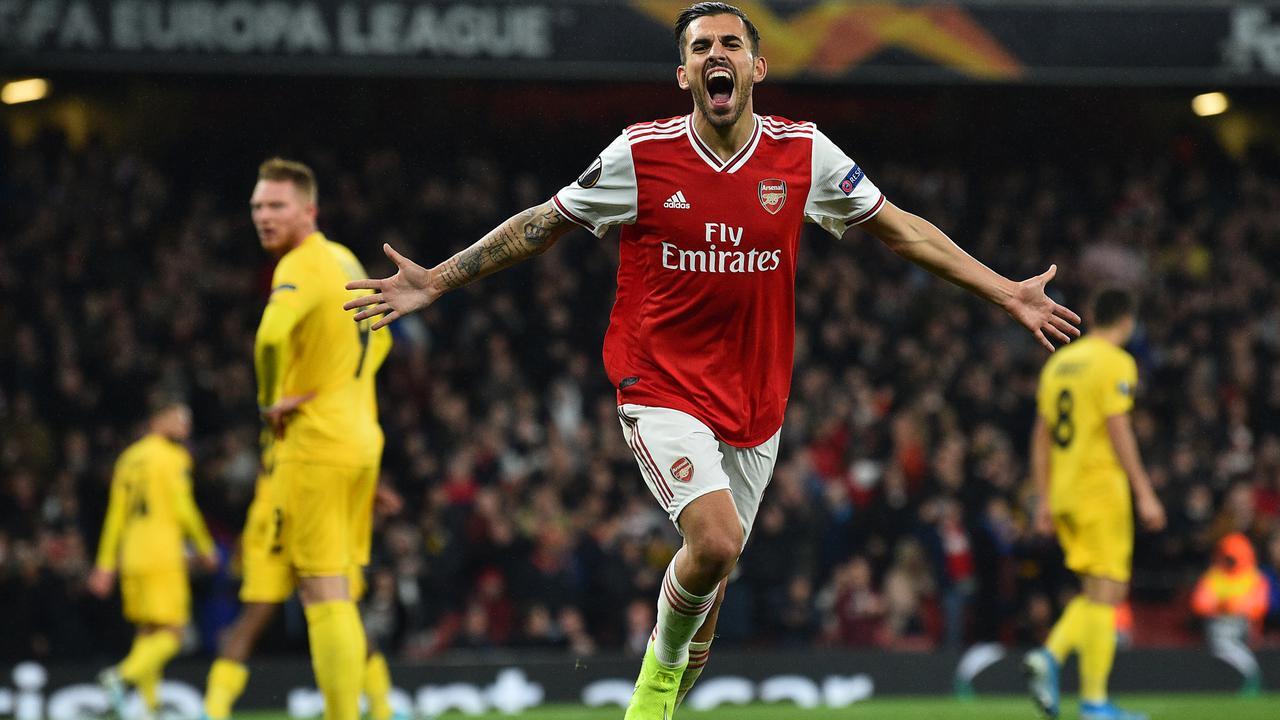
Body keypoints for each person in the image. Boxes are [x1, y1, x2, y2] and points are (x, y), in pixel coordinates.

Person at [344, 4, 1080, 717]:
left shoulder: (805, 154)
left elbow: (903, 231)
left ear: (757, 67)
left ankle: (668, 689)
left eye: (730, 44)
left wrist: (1005, 290)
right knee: (716, 541)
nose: (715, 55)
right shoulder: (641, 155)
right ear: (683, 74)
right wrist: (437, 280)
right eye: (700, 47)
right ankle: (648, 695)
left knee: (707, 605)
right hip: (659, 385)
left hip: (756, 405)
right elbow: (542, 224)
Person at [211, 157, 394, 720]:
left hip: (315, 443)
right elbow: (381, 340)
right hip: (360, 437)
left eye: (276, 206)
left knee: (323, 591)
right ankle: (375, 709)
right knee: (340, 588)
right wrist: (344, 390)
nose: (263, 216)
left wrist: (269, 399)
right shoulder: (345, 260)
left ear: (308, 209)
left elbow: (269, 337)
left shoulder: (300, 262)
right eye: (257, 207)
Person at [1024, 288, 1166, 720]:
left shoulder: (1060, 363)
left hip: (1065, 492)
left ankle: (1070, 677)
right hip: (1100, 490)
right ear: (1127, 320)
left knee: (1095, 592)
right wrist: (1144, 491)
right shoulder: (1115, 362)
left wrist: (1042, 498)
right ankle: (1084, 691)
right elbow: (1117, 427)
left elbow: (1040, 436)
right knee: (1108, 593)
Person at [201, 432, 406, 720]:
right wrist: (366, 487)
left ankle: (213, 709)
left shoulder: (278, 419)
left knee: (253, 619)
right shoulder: (320, 417)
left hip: (273, 518)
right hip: (314, 510)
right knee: (343, 611)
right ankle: (380, 708)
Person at [90, 401, 217, 720]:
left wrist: (105, 563)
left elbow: (115, 516)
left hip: (132, 557)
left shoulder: (128, 459)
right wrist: (204, 546)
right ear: (158, 419)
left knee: (148, 632)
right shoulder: (173, 457)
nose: (186, 425)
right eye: (179, 418)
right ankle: (121, 676)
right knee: (175, 633)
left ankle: (148, 709)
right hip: (163, 556)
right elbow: (183, 506)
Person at [1190, 532, 1269, 695]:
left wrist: (1236, 606)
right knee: (1220, 634)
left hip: (1245, 625)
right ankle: (1246, 673)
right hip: (1218, 623)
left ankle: (1250, 673)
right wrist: (1222, 606)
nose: (1230, 561)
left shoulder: (1254, 577)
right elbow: (1200, 604)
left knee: (1224, 637)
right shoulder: (1214, 576)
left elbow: (1259, 606)